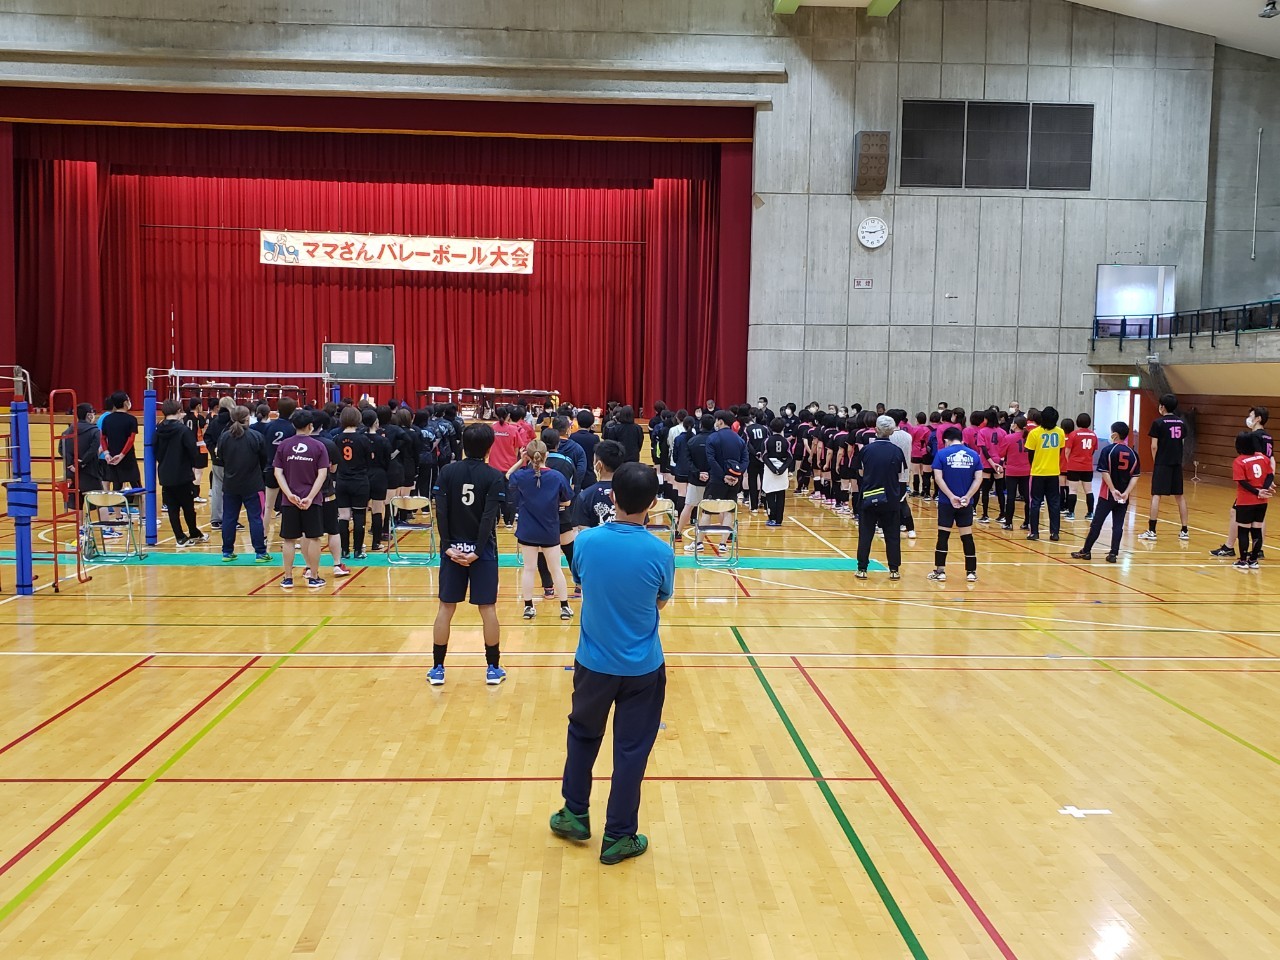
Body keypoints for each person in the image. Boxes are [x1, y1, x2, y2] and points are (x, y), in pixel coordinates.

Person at [550, 462, 674, 866]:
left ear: (613, 497)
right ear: (653, 503)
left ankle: (574, 814)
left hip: (593, 664)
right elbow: (660, 601)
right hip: (643, 668)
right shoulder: (661, 552)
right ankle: (619, 835)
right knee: (631, 751)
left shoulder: (586, 542)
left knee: (582, 735)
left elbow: (582, 581)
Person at [430, 423, 508, 686]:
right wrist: (477, 550)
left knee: (445, 607)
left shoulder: (447, 472)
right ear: (489, 447)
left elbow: (441, 511)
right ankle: (493, 668)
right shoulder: (494, 476)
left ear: (463, 444)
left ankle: (438, 669)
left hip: (452, 550)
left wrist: (447, 546)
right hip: (481, 552)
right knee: (487, 608)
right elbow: (488, 517)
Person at [507, 439, 574, 621]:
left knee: (529, 569)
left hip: (527, 530)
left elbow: (508, 475)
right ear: (547, 455)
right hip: (549, 529)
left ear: (528, 456)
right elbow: (567, 501)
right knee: (556, 569)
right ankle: (565, 607)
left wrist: (521, 461)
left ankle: (528, 607)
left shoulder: (522, 476)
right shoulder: (557, 477)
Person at [273, 411, 330, 589]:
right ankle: (313, 577)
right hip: (311, 501)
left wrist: (289, 494)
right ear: (310, 426)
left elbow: (278, 472)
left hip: (289, 501)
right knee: (314, 538)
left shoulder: (283, 445)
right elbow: (322, 474)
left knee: (289, 540)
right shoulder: (319, 446)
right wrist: (310, 497)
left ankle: (288, 578)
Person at [1071, 422, 1141, 563]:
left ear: (1114, 434)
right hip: (1123, 497)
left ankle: (1086, 551)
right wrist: (1126, 493)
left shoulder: (1108, 450)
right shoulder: (1133, 454)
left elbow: (1105, 472)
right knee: (1118, 525)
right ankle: (1113, 554)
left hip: (1107, 495)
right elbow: (1135, 476)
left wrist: (1112, 489)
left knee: (1097, 523)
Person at [1211, 406, 1274, 559]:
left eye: (1251, 415)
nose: (1248, 418)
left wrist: (1258, 483)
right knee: (1259, 518)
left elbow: (1256, 458)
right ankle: (1258, 550)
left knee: (1236, 512)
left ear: (1258, 418)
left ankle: (1229, 547)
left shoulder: (1254, 437)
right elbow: (1271, 459)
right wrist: (1269, 479)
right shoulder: (1268, 437)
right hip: (1263, 480)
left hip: (1253, 483)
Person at [216, 405, 271, 563]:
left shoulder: (224, 437)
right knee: (256, 518)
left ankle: (227, 552)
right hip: (253, 484)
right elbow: (264, 459)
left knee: (229, 517)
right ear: (247, 418)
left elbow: (220, 458)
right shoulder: (256, 436)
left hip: (231, 484)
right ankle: (260, 552)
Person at [928, 427, 983, 582]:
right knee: (967, 536)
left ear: (946, 440)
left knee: (943, 535)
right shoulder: (974, 455)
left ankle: (940, 571)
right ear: (962, 439)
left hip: (947, 502)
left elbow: (938, 478)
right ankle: (971, 572)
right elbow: (978, 478)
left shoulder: (941, 454)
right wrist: (968, 496)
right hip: (966, 503)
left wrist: (951, 496)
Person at [855, 416, 907, 581]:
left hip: (869, 497)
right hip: (890, 498)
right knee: (892, 535)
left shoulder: (866, 450)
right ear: (891, 432)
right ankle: (894, 570)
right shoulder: (897, 451)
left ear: (876, 430)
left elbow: (861, 472)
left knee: (866, 534)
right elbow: (901, 475)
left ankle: (862, 569)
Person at [154, 398, 206, 546]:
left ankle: (180, 537)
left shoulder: (158, 430)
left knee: (172, 508)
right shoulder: (183, 430)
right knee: (188, 507)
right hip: (182, 473)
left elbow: (155, 450)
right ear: (179, 411)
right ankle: (193, 532)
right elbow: (192, 451)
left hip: (165, 473)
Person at [1139, 394, 1190, 542]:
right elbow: (1181, 443)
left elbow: (1154, 446)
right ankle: (1184, 530)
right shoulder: (1181, 423)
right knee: (1180, 496)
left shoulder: (1158, 423)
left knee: (1156, 495)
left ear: (1162, 406)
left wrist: (1157, 462)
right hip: (1176, 463)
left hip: (1162, 463)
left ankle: (1152, 530)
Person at [1229, 431, 1274, 570]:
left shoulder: (1239, 461)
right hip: (1262, 501)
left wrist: (1256, 491)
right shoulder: (1262, 457)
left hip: (1246, 501)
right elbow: (1270, 475)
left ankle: (1243, 561)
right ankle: (1253, 560)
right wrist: (1263, 490)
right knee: (1256, 530)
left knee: (1243, 531)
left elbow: (1242, 482)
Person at [334, 405, 374, 559]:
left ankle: (344, 551)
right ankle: (358, 551)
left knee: (343, 516)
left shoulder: (336, 439)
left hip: (342, 481)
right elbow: (370, 460)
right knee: (359, 515)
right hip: (360, 481)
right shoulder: (363, 439)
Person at [1023, 406, 1066, 542]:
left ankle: (1034, 532)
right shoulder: (1060, 432)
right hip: (1053, 472)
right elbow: (1059, 451)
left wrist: (1036, 465)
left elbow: (1030, 454)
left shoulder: (1034, 433)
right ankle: (1055, 533)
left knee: (1035, 502)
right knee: (1054, 503)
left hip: (1038, 473)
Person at [100, 391, 141, 499]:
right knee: (136, 485)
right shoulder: (131, 419)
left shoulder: (107, 419)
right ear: (125, 402)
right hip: (128, 457)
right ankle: (142, 508)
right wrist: (122, 454)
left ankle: (117, 509)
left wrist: (106, 453)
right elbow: (130, 439)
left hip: (113, 456)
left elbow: (103, 438)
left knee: (116, 487)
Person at [996, 417, 1031, 530]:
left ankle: (1008, 523)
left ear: (1015, 425)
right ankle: (1027, 522)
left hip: (1012, 471)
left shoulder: (1008, 437)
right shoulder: (1029, 437)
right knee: (1027, 497)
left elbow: (1001, 453)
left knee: (1010, 497)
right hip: (1027, 470)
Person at [204, 397, 234, 529]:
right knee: (232, 491)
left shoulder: (214, 421)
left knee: (217, 489)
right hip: (231, 460)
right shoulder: (233, 422)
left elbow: (207, 437)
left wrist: (213, 452)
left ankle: (216, 519)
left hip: (217, 460)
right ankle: (230, 519)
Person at [1063, 413, 1099, 521]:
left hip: (1074, 466)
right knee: (1089, 490)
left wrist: (1070, 462)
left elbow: (1067, 452)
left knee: (1072, 490)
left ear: (1077, 422)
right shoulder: (1093, 435)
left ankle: (1071, 513)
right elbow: (1093, 451)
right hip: (1087, 467)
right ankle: (1090, 513)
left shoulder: (1073, 434)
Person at [761, 417, 793, 527]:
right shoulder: (786, 442)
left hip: (770, 470)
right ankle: (779, 520)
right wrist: (782, 468)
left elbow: (764, 456)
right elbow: (790, 457)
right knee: (780, 495)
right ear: (783, 428)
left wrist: (773, 469)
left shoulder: (766, 441)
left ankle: (772, 518)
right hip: (782, 470)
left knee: (769, 493)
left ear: (770, 428)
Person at [183, 400, 209, 503]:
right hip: (199, 447)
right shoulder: (199, 418)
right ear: (198, 406)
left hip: (187, 447)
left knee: (190, 471)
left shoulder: (185, 417)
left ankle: (188, 493)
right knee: (198, 472)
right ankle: (195, 495)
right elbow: (204, 432)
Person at [571, 410, 600, 488]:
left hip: (574, 475)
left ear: (577, 421)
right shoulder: (595, 438)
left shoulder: (572, 437)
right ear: (592, 423)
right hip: (589, 475)